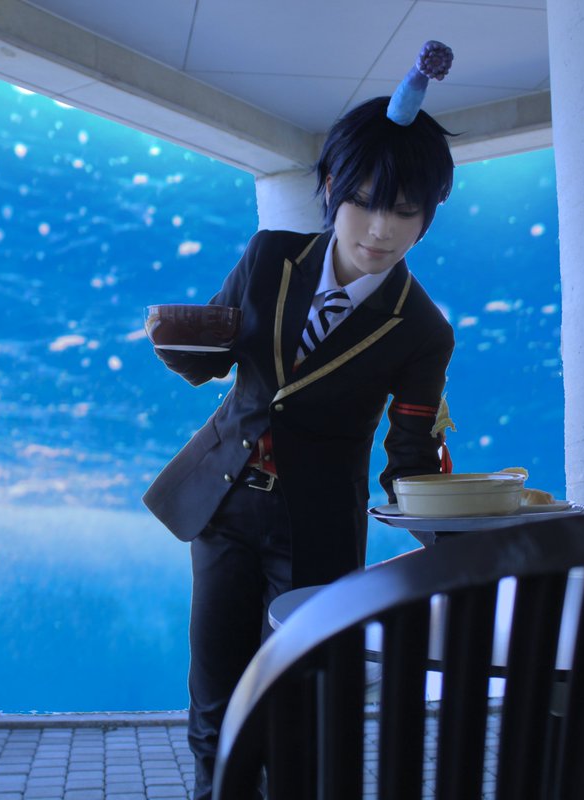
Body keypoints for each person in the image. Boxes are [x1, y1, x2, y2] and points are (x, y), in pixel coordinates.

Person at [143, 41, 457, 800]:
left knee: (299, 707)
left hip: (317, 527)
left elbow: (410, 454)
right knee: (214, 698)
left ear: (427, 217)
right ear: (329, 188)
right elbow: (216, 357)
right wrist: (177, 344)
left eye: (405, 211)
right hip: (224, 504)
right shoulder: (268, 256)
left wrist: (453, 531)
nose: (379, 229)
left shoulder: (423, 330)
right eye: (365, 201)